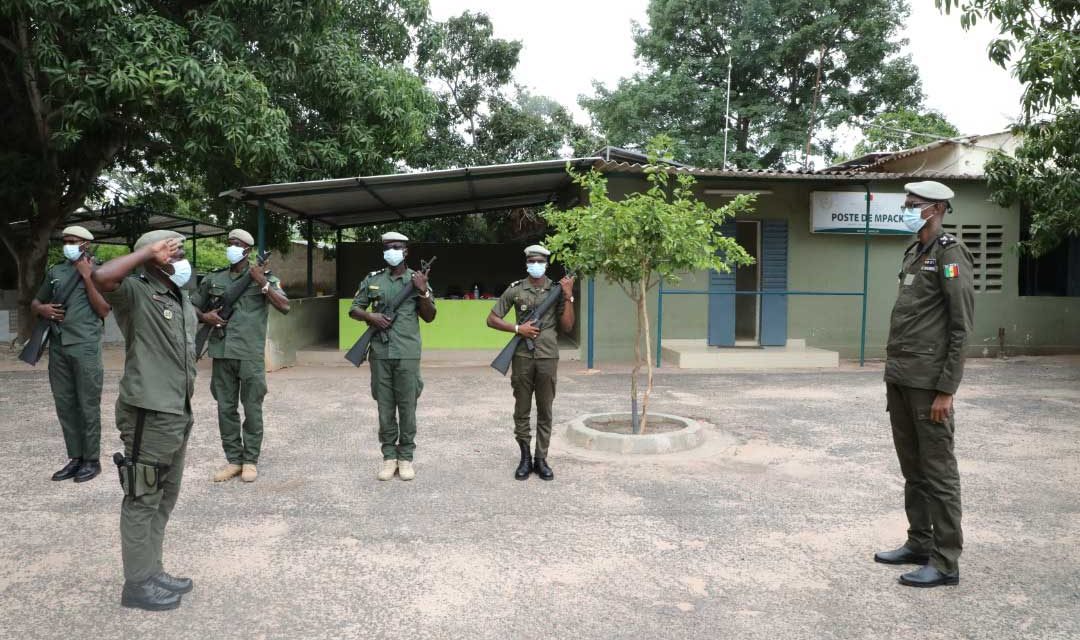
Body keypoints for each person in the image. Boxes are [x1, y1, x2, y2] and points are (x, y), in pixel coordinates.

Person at [875, 181, 975, 588]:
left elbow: (960, 325)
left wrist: (947, 389)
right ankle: (919, 542)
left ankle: (946, 561)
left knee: (938, 473)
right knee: (913, 469)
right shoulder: (916, 251)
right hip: (901, 377)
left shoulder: (951, 254)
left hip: (929, 382)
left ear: (935, 209)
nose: (907, 208)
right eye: (906, 203)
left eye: (912, 204)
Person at [93, 229, 197, 610]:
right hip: (148, 412)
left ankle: (152, 570)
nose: (181, 257)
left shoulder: (177, 295)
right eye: (172, 251)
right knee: (142, 497)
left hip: (176, 410)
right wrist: (144, 253)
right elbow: (102, 278)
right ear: (152, 257)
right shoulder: (134, 290)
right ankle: (137, 584)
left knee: (164, 497)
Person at [192, 229, 289, 483]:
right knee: (225, 408)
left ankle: (250, 461)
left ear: (247, 250)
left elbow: (285, 306)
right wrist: (205, 317)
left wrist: (262, 283)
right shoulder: (214, 278)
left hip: (249, 354)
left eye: (236, 244)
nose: (231, 248)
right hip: (222, 352)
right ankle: (234, 460)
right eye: (229, 243)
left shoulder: (264, 278)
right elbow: (191, 305)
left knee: (253, 408)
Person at [348, 232, 436, 481]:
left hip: (407, 353)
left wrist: (423, 293)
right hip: (380, 352)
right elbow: (354, 309)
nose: (391, 251)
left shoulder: (416, 280)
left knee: (408, 407)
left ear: (406, 251)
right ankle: (389, 457)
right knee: (385, 408)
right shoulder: (373, 279)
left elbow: (430, 316)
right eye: (387, 247)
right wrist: (371, 317)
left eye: (396, 247)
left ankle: (406, 457)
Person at [486, 245, 575, 481]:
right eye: (532, 261)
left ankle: (541, 458)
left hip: (547, 357)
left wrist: (568, 295)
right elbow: (492, 319)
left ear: (546, 264)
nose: (536, 265)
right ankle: (525, 458)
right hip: (522, 357)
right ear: (527, 263)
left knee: (545, 409)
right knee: (522, 410)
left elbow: (567, 326)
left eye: (540, 261)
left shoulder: (557, 290)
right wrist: (518, 329)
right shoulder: (516, 290)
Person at [32, 225, 111, 483]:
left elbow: (103, 310)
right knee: (65, 404)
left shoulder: (100, 271)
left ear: (86, 244)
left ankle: (92, 460)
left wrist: (87, 277)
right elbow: (36, 301)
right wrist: (42, 309)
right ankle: (75, 458)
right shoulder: (55, 270)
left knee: (87, 405)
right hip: (58, 346)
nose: (68, 244)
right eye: (65, 240)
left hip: (85, 346)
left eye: (73, 241)